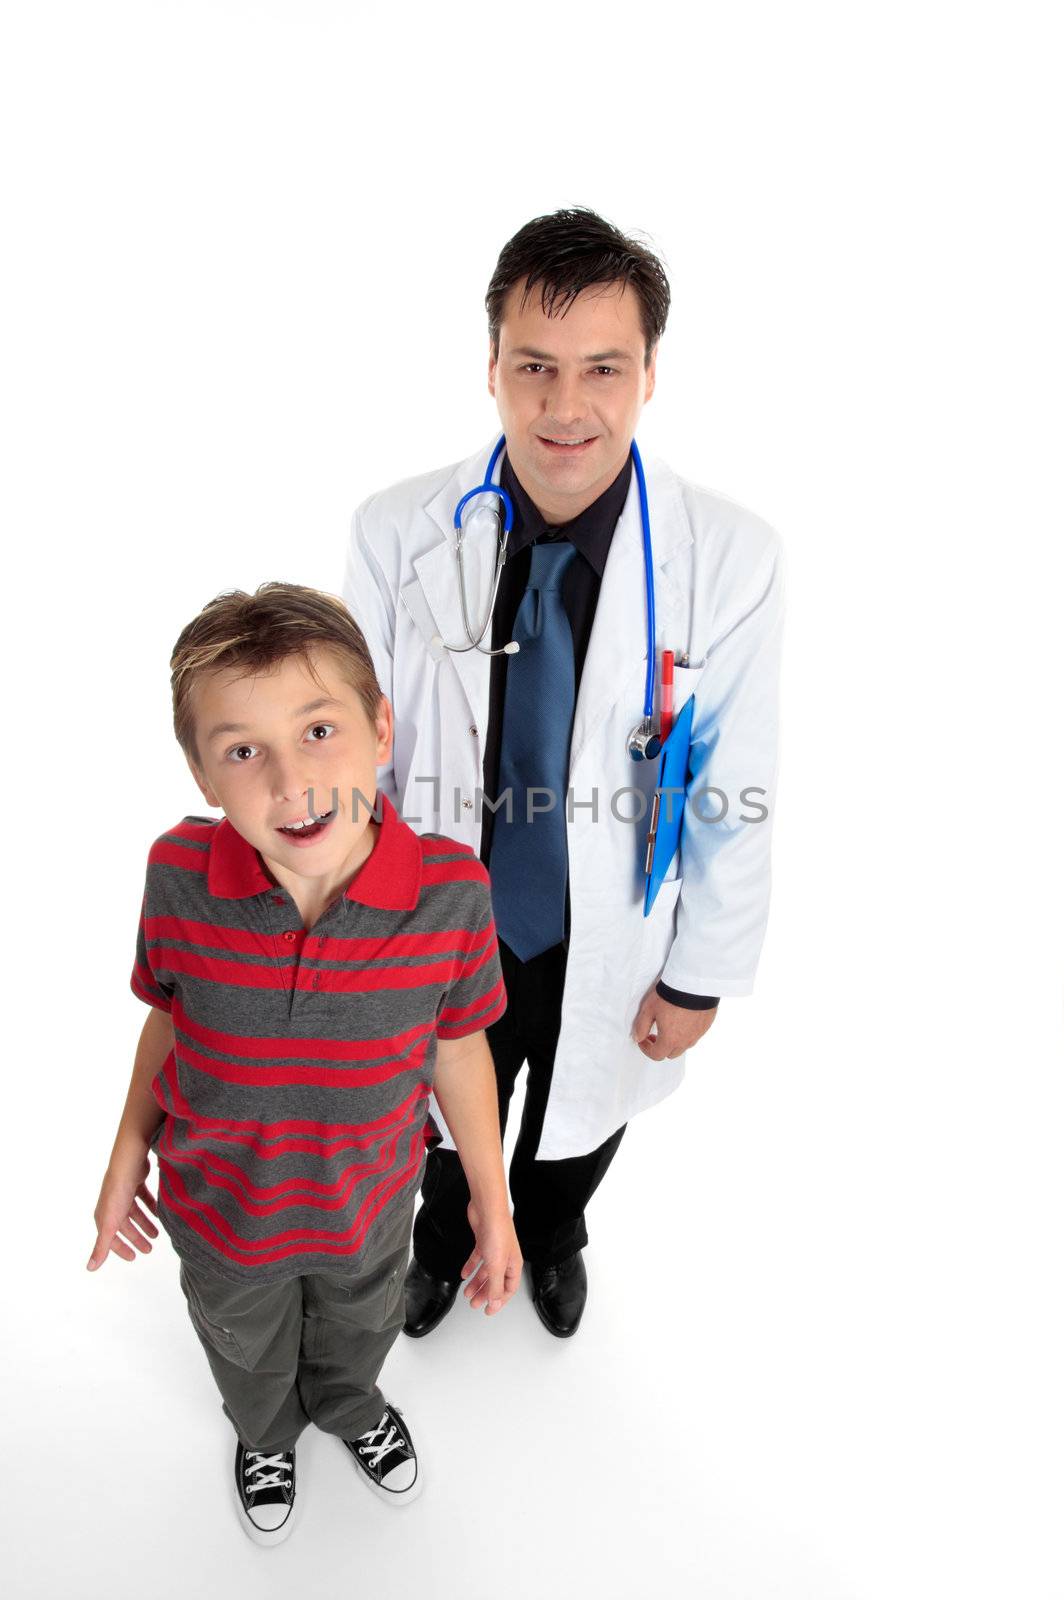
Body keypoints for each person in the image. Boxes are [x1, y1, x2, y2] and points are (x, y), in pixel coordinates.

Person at [343, 207, 785, 1340]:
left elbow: (740, 783)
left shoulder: (727, 557)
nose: (564, 406)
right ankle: (442, 1241)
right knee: (446, 1112)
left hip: (616, 916)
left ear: (648, 376)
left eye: (602, 367)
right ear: (490, 367)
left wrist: (699, 977)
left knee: (585, 1107)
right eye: (533, 366)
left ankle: (551, 1230)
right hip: (446, 912)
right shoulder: (397, 531)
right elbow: (354, 748)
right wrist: (354, 926)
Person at [88, 582, 522, 1545]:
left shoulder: (451, 892)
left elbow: (459, 1050)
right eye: (243, 751)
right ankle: (266, 1431)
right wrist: (127, 1155)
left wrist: (490, 1201)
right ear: (202, 775)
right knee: (244, 1346)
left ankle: (348, 1405)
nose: (289, 783)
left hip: (367, 1205)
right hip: (221, 1213)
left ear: (379, 728)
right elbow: (168, 1017)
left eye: (318, 731)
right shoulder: (176, 874)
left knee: (360, 1328)